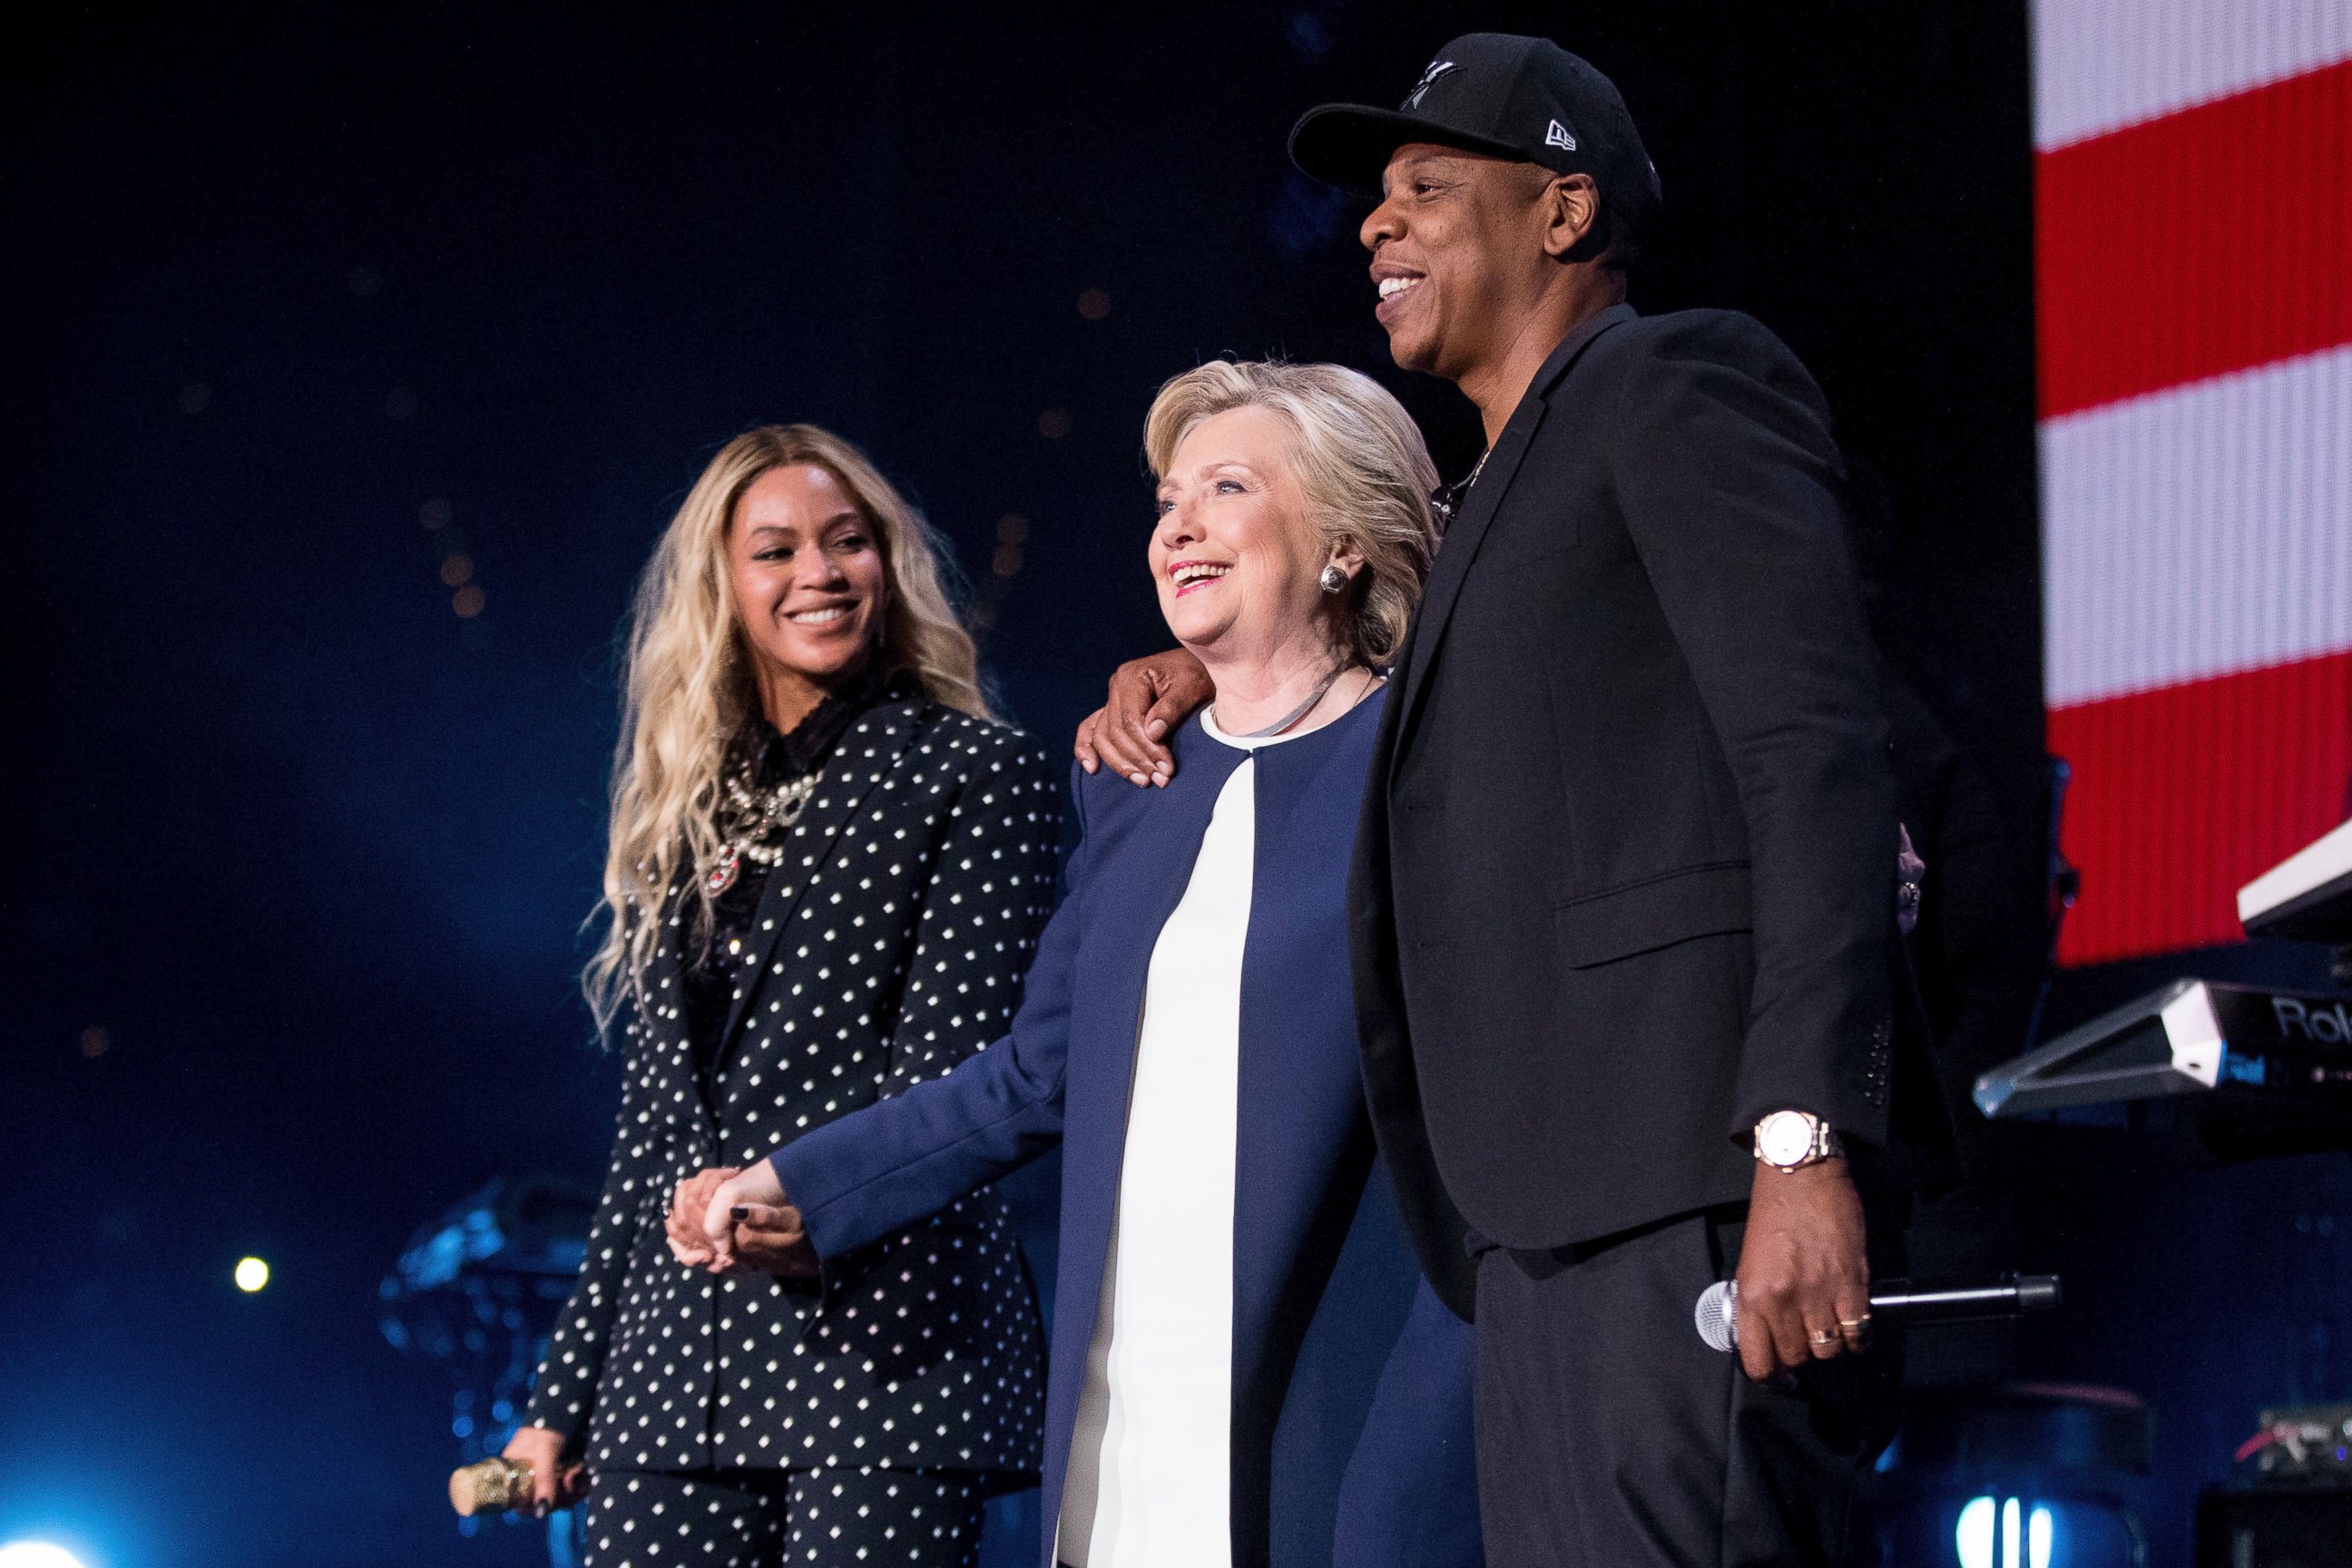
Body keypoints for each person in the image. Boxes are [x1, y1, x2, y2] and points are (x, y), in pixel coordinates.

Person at [1076, 34, 1929, 1566]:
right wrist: (1210, 666)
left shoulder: (1675, 382)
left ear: (1561, 212)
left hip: (1695, 1188)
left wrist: (1802, 1138)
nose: (1373, 227)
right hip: (1531, 1233)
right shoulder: (1491, 499)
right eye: (1372, 202)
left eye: (1424, 187)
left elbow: (1813, 759)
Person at [691, 362, 1483, 1568]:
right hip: (1130, 1395)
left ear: (1342, 544)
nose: (1182, 525)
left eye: (1229, 486)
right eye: (1169, 499)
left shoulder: (1433, 763)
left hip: (1351, 1380)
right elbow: (1035, 1075)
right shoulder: (1136, 779)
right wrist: (804, 1181)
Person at [502, 425, 1062, 1568]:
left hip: (883, 1344)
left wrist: (803, 1212)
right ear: (722, 586)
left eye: (847, 541)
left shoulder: (973, 774)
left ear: (888, 565)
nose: (818, 572)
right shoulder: (687, 808)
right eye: (776, 549)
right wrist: (562, 1394)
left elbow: (959, 1083)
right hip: (675, 1372)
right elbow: (654, 1136)